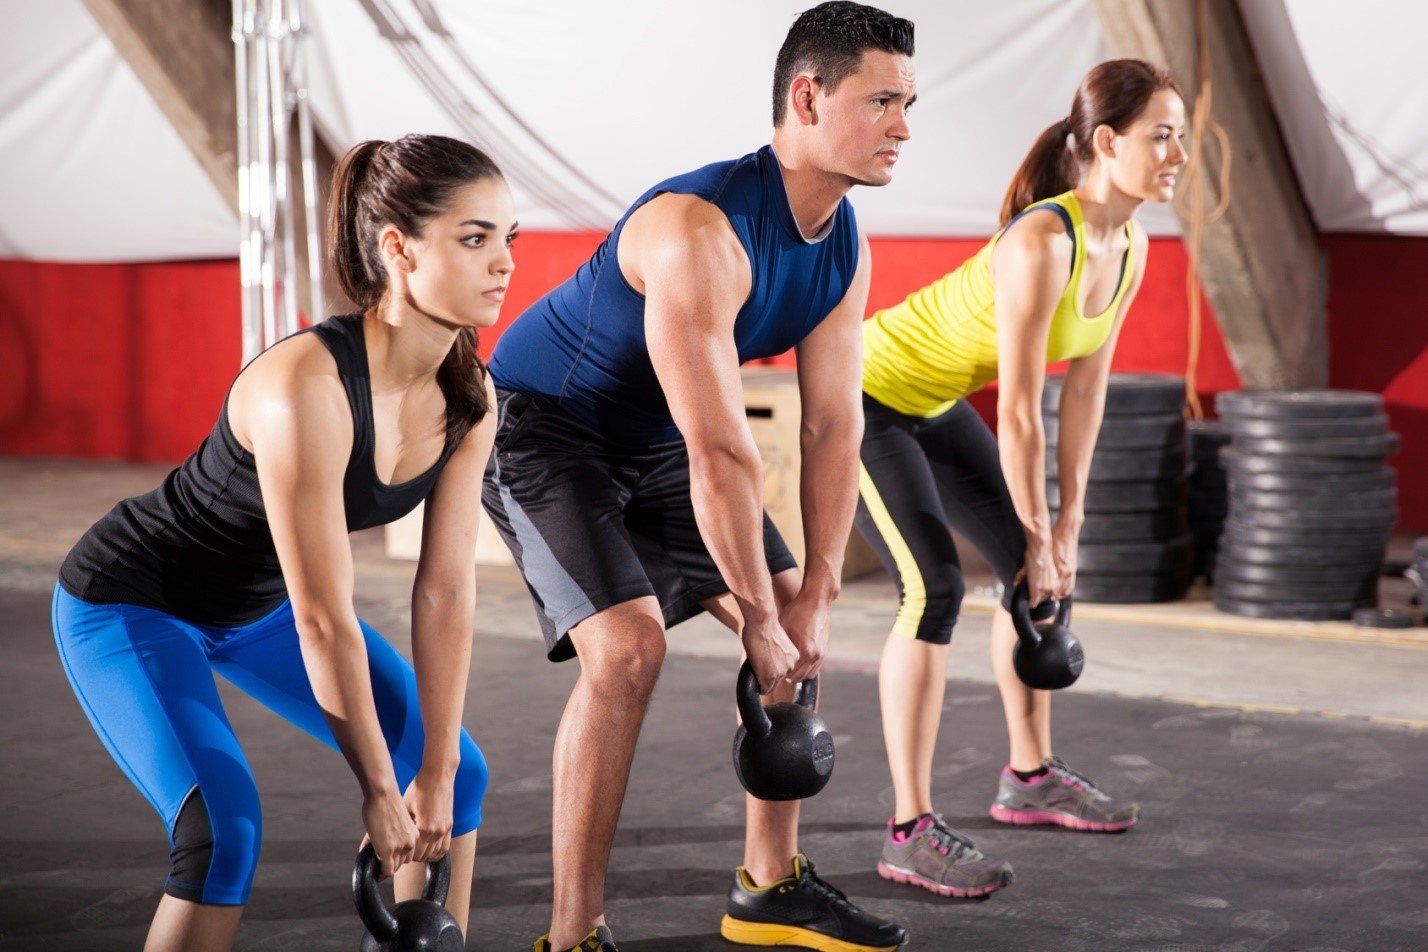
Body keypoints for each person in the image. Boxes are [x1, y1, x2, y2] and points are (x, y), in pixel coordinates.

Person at [481, 4, 915, 950]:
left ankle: (769, 887)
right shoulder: (698, 229)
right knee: (630, 650)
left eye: (908, 103)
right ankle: (571, 935)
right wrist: (754, 619)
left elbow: (836, 423)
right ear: (807, 96)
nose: (904, 128)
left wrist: (813, 600)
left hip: (660, 443)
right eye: (882, 101)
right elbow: (722, 451)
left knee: (799, 617)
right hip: (545, 430)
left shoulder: (844, 244)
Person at [52, 134, 514, 951]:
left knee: (460, 777)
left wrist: (431, 774)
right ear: (398, 249)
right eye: (475, 239)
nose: (503, 262)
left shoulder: (469, 395)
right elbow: (325, 618)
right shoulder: (307, 387)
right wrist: (379, 786)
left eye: (508, 238)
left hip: (260, 607)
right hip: (135, 603)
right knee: (223, 832)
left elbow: (444, 590)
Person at [855, 59, 1186, 898]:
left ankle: (1029, 777)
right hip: (861, 395)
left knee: (1033, 584)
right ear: (1108, 143)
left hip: (930, 401)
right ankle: (908, 828)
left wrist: (1065, 527)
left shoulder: (1131, 243)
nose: (1179, 152)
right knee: (932, 591)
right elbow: (1020, 409)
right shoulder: (1044, 239)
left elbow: (1087, 391)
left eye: (1183, 135)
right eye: (1163, 135)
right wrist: (1040, 529)